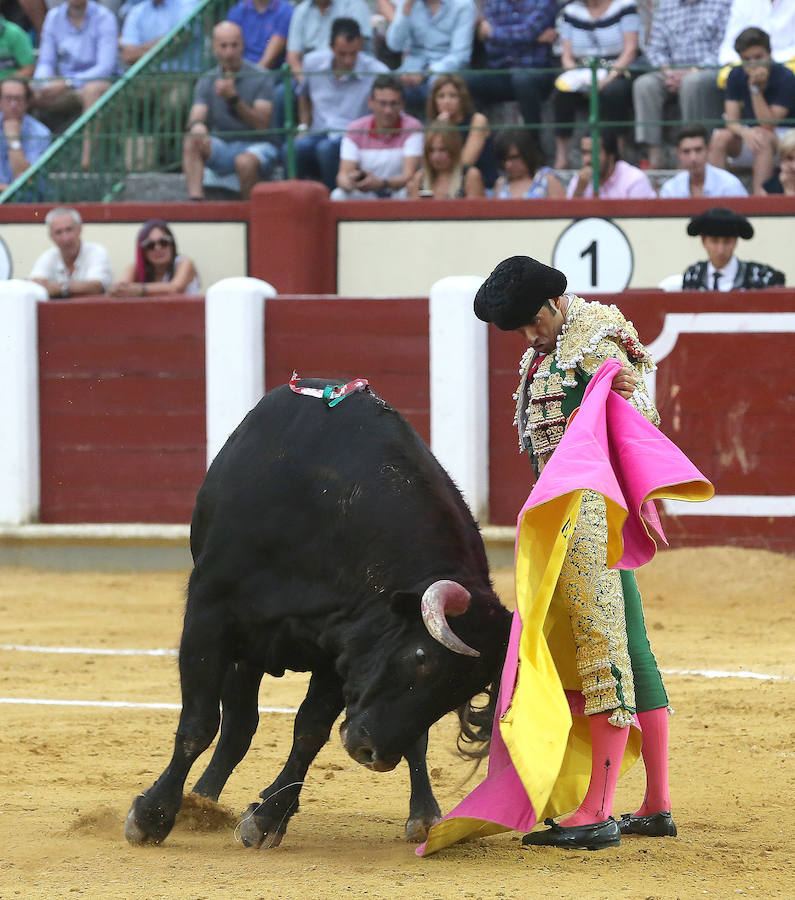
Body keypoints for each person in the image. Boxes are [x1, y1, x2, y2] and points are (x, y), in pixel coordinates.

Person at [416, 255, 706, 857]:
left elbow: (643, 423)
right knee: (630, 650)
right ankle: (655, 803)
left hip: (591, 518)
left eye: (530, 324)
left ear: (552, 305)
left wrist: (625, 392)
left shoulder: (597, 339)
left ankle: (597, 811)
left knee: (601, 651)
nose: (528, 337)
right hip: (567, 519)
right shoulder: (542, 354)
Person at [182, 21, 279, 201]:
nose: (229, 52)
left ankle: (251, 216)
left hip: (258, 144)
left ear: (243, 45)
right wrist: (196, 126)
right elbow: (196, 116)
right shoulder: (207, 79)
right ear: (214, 47)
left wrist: (234, 100)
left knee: (244, 162)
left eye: (234, 45)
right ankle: (195, 204)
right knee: (192, 140)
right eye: (224, 46)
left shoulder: (261, 77)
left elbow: (262, 124)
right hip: (223, 145)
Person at [632, 0, 730, 169]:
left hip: (707, 70)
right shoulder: (667, 5)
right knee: (644, 85)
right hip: (670, 71)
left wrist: (690, 72)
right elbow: (655, 48)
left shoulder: (721, 4)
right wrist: (668, 72)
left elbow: (723, 49)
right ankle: (654, 157)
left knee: (692, 83)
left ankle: (689, 154)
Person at [294, 17, 388, 190]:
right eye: (342, 54)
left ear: (360, 44)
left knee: (326, 149)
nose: (347, 60)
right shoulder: (312, 63)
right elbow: (303, 95)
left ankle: (332, 206)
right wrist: (303, 126)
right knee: (293, 148)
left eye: (353, 53)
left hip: (354, 136)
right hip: (319, 131)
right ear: (331, 47)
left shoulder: (377, 72)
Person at [552, 0, 639, 170]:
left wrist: (607, 79)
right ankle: (561, 156)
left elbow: (630, 49)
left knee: (614, 91)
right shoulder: (570, 11)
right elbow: (566, 56)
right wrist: (577, 78)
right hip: (582, 72)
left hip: (617, 70)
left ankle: (619, 153)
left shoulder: (625, 6)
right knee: (560, 92)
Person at [31, 0, 118, 169]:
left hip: (99, 83)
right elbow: (46, 61)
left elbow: (105, 67)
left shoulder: (104, 17)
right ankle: (30, 163)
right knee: (21, 93)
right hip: (62, 86)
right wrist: (42, 82)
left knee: (92, 91)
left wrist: (68, 83)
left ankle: (87, 163)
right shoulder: (53, 17)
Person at [708, 27, 795, 195]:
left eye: (758, 57)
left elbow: (768, 124)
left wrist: (755, 89)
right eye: (747, 59)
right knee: (720, 138)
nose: (753, 64)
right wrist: (744, 132)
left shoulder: (786, 77)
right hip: (752, 135)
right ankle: (717, 198)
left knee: (762, 137)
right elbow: (731, 121)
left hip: (785, 139)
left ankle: (759, 199)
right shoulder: (736, 74)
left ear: (769, 54)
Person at [463, 0, 559, 141]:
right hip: (501, 71)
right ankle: (477, 146)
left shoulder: (544, 2)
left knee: (523, 80)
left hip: (536, 72)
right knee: (466, 81)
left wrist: (494, 33)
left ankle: (534, 147)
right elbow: (488, 41)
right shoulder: (493, 3)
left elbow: (527, 31)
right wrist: (533, 38)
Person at [332, 73, 422, 199]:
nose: (388, 111)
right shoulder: (355, 129)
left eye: (393, 104)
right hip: (367, 194)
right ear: (371, 102)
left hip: (399, 193)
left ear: (402, 104)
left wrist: (381, 183)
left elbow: (409, 175)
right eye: (382, 104)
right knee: (338, 195)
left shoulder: (413, 127)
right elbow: (343, 175)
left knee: (410, 193)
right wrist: (351, 182)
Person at [385, 0, 477, 117]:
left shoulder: (463, 5)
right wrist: (405, 11)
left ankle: (437, 132)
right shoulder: (407, 3)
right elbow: (394, 45)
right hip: (411, 68)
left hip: (445, 69)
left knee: (439, 89)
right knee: (383, 89)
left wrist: (425, 73)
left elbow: (460, 56)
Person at [682, 206, 785, 290]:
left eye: (727, 242)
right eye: (714, 242)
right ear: (704, 241)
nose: (720, 250)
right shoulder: (692, 275)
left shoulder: (763, 278)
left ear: (735, 242)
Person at [425, 73, 497, 189]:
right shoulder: (434, 125)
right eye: (441, 96)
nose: (447, 101)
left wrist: (444, 129)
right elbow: (428, 166)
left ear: (462, 98)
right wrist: (438, 127)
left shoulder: (478, 120)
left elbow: (466, 162)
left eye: (453, 96)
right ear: (434, 100)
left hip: (482, 187)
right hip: (446, 188)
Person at [29, 206, 113, 298]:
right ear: (51, 236)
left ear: (80, 229)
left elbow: (97, 286)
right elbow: (33, 285)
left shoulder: (97, 252)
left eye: (69, 230)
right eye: (58, 232)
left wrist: (59, 288)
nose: (65, 238)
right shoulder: (48, 256)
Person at [109, 219, 201, 297]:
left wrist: (140, 289)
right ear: (142, 252)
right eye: (150, 245)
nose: (158, 248)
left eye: (164, 242)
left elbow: (176, 288)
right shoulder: (136, 268)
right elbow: (119, 288)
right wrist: (118, 288)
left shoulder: (184, 263)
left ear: (172, 245)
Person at [286, 0, 373, 79]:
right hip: (310, 78)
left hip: (349, 76)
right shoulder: (301, 11)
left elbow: (359, 48)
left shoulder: (355, 5)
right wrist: (309, 85)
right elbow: (293, 58)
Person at [658, 125, 748, 198]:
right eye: (686, 151)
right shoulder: (670, 189)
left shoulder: (729, 184)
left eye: (698, 150)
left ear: (708, 150)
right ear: (678, 153)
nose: (693, 158)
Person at [407, 118, 485, 197]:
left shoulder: (470, 176)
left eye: (442, 150)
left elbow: (477, 209)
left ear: (454, 149)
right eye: (431, 150)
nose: (436, 156)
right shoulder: (420, 178)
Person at [566, 130, 656, 198]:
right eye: (584, 153)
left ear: (611, 155)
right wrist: (579, 191)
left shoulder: (634, 180)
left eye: (594, 153)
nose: (587, 159)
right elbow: (569, 220)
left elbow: (641, 220)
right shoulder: (579, 180)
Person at [0, 76, 51, 191]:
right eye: (8, 98)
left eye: (18, 99)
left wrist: (13, 140)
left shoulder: (41, 133)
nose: (13, 104)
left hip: (25, 201)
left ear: (27, 102)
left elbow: (28, 181)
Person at [716, 0, 795, 67]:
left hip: (789, 66)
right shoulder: (743, 2)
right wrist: (748, 68)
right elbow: (728, 49)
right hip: (746, 67)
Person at [492, 127, 565, 198]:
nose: (508, 165)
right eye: (504, 160)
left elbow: (562, 208)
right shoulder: (501, 184)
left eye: (514, 157)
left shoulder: (547, 180)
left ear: (527, 154)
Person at [227, 0, 294, 70]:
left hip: (270, 74)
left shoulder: (285, 10)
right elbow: (229, 46)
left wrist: (248, 78)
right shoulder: (239, 9)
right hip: (239, 70)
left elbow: (267, 62)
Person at [0, 12, 34, 79]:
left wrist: (6, 80)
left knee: (12, 88)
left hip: (11, 80)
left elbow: (29, 68)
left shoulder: (14, 33)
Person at [762, 128, 795, 195]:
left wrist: (790, 191)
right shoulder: (769, 189)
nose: (794, 166)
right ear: (781, 159)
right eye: (789, 158)